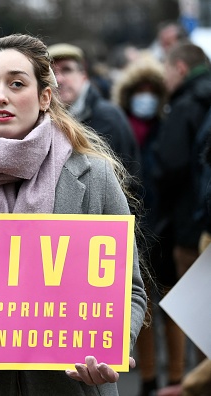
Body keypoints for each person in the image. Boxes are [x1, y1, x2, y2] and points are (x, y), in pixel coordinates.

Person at [0, 33, 147, 395]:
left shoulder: (93, 173)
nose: (1, 96)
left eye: (16, 83)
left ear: (44, 97)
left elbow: (130, 290)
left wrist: (110, 349)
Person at [111, 55, 177, 396]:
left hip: (166, 221)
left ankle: (177, 376)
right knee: (143, 302)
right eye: (141, 90)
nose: (146, 96)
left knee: (171, 303)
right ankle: (150, 377)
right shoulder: (121, 125)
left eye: (153, 90)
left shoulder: (167, 126)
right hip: (137, 222)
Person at [153, 40, 211, 394]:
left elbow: (170, 168)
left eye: (165, 71)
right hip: (198, 221)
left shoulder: (185, 104)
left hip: (193, 228)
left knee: (201, 322)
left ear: (180, 69)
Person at [49, 43, 141, 182]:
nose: (59, 79)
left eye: (67, 70)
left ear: (83, 75)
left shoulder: (108, 117)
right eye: (53, 73)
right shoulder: (44, 120)